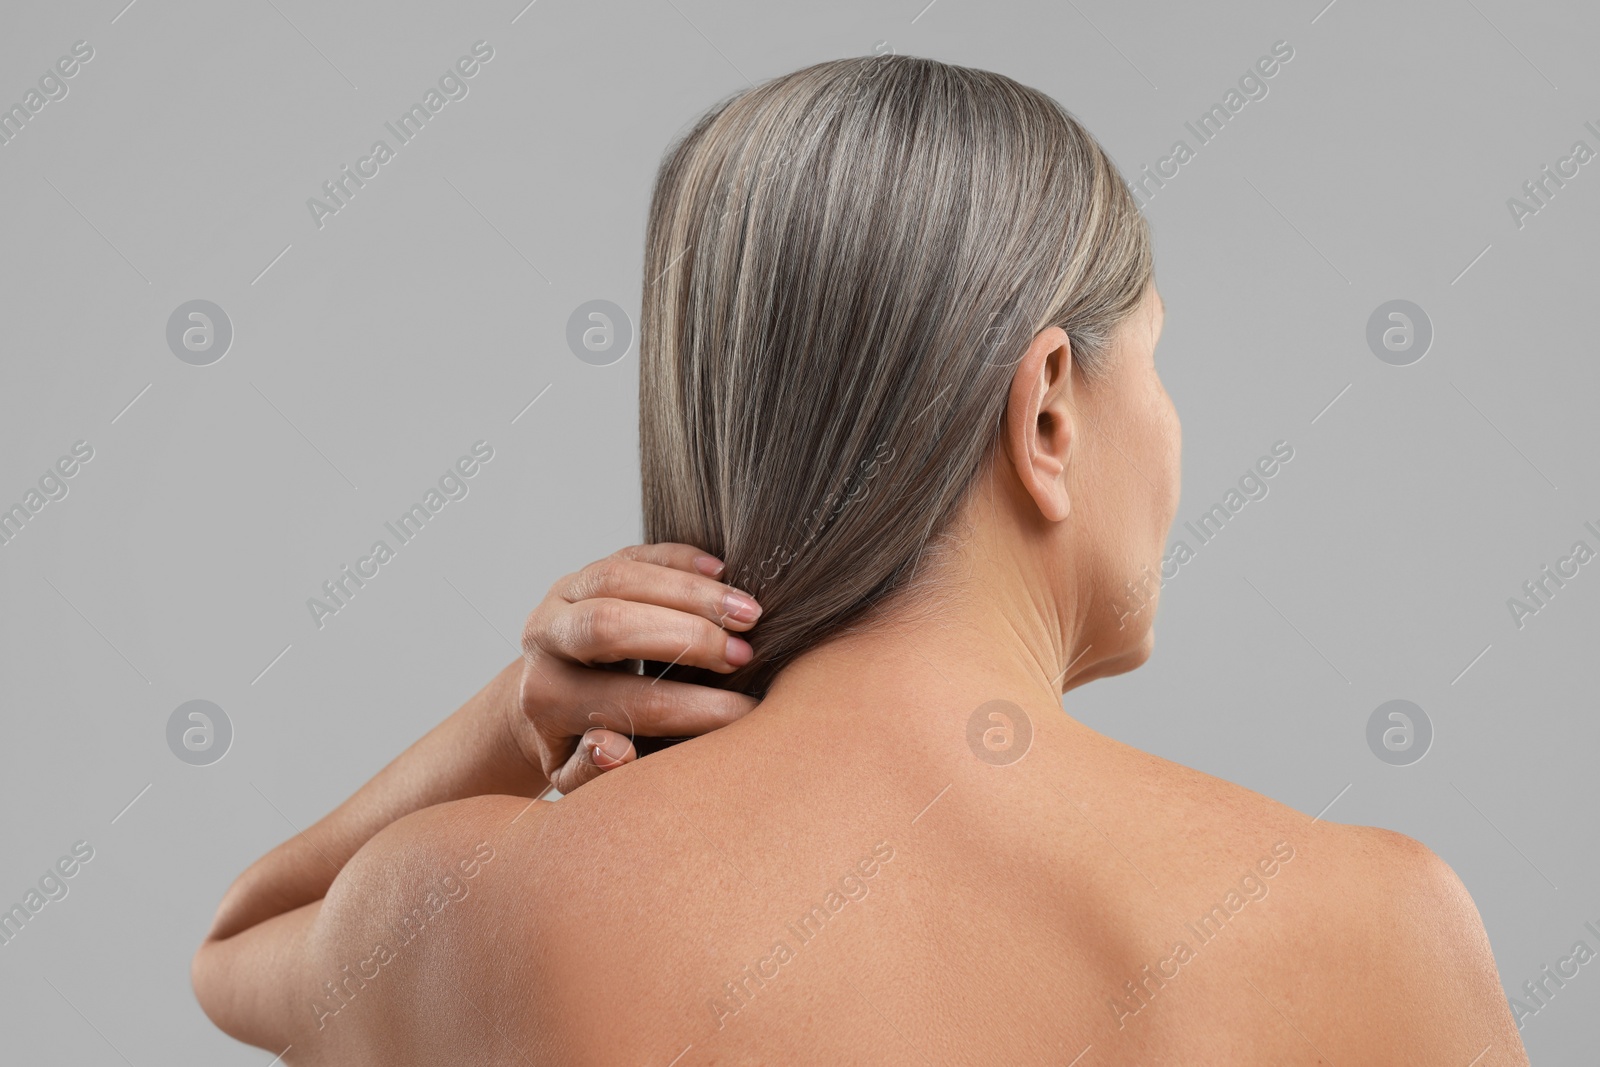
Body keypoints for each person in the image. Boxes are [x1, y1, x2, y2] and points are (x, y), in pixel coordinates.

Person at [193, 55, 1528, 1064]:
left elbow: (234, 952)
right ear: (1049, 406)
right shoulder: (1362, 922)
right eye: (1161, 361)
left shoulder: (468, 909)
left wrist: (521, 713)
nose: (1177, 431)